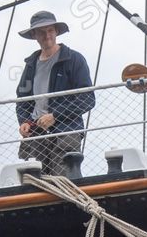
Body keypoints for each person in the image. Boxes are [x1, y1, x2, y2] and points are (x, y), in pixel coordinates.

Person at [15, 10, 96, 176]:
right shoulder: (30, 66)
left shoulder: (74, 59)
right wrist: (24, 121)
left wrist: (55, 116)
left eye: (50, 30)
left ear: (56, 32)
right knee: (34, 184)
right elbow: (22, 100)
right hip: (36, 134)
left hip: (66, 130)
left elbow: (88, 99)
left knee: (64, 180)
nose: (47, 35)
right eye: (41, 32)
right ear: (34, 35)